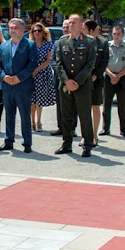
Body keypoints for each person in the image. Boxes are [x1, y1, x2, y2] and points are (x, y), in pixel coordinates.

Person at [54, 14, 97, 157]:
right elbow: (59, 63)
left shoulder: (90, 42)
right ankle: (67, 144)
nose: (71, 25)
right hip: (66, 85)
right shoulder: (62, 41)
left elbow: (90, 65)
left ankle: (87, 145)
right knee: (66, 115)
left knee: (84, 116)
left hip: (82, 85)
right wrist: (66, 81)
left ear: (81, 25)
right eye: (69, 23)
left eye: (74, 23)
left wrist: (76, 82)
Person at [0, 18, 38, 153]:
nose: (12, 30)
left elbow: (32, 64)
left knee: (25, 115)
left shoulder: (30, 45)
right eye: (11, 28)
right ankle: (8, 141)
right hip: (7, 86)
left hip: (23, 86)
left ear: (22, 30)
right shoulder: (4, 45)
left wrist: (19, 78)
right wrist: (3, 76)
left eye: (16, 28)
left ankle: (27, 143)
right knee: (9, 114)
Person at [82, 19, 109, 147]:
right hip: (83, 79)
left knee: (95, 107)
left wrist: (96, 75)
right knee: (83, 108)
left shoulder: (103, 43)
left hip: (96, 80)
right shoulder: (81, 41)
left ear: (91, 31)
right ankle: (85, 135)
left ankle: (94, 135)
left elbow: (104, 61)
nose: (82, 31)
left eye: (84, 29)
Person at [100, 24, 125, 137]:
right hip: (109, 77)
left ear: (123, 34)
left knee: (122, 104)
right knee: (106, 104)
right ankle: (105, 128)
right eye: (114, 34)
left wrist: (118, 76)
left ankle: (123, 129)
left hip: (122, 77)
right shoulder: (107, 46)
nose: (116, 36)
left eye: (118, 34)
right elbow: (103, 63)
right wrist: (111, 75)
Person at [29, 22, 55, 133]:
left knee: (40, 99)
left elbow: (48, 60)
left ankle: (39, 121)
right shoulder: (30, 44)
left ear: (43, 32)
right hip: (31, 74)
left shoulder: (48, 44)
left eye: (39, 30)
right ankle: (32, 122)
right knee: (32, 100)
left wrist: (37, 69)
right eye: (35, 31)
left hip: (43, 73)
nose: (37, 33)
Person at [50, 19, 72, 136]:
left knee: (72, 104)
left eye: (67, 27)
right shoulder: (57, 43)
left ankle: (71, 128)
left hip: (71, 78)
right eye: (64, 27)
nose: (65, 29)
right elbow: (53, 60)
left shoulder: (75, 42)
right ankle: (61, 127)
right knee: (60, 103)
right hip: (59, 78)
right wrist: (59, 72)